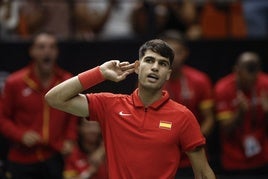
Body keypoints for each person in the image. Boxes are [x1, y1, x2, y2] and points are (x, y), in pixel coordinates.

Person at [45, 39, 216, 178]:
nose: (155, 67)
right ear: (137, 67)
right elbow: (54, 98)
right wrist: (100, 73)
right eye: (149, 60)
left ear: (168, 74)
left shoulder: (183, 116)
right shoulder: (110, 105)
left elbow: (203, 173)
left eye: (162, 64)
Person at [0, 32, 78, 179]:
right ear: (32, 51)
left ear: (57, 52)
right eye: (41, 47)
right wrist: (20, 135)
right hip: (21, 159)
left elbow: (72, 115)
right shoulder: (14, 82)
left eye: (52, 47)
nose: (47, 51)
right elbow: (2, 118)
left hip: (54, 157)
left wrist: (70, 139)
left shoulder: (67, 81)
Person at [159, 30, 215, 177]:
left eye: (176, 52)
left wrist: (191, 141)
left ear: (185, 53)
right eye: (166, 52)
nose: (172, 57)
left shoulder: (200, 80)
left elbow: (209, 119)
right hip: (161, 158)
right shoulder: (151, 81)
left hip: (193, 158)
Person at [214, 51, 268, 176]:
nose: (251, 84)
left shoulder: (265, 83)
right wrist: (240, 114)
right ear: (236, 71)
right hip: (233, 160)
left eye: (254, 80)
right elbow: (225, 129)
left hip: (262, 158)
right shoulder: (223, 88)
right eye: (246, 80)